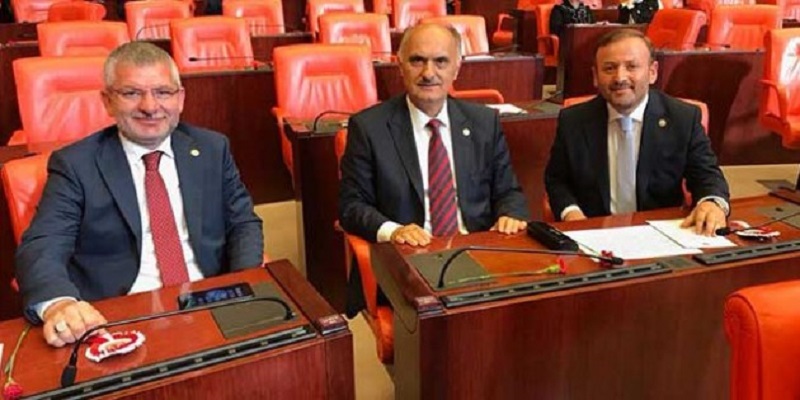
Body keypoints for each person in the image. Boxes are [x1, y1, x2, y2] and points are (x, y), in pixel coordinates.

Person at [15, 42, 264, 347]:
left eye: (163, 92)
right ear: (108, 101)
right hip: (119, 316)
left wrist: (244, 283)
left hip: (209, 300)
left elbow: (243, 223)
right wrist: (59, 304)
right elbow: (44, 243)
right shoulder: (76, 164)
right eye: (131, 93)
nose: (150, 106)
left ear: (180, 98)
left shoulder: (212, 148)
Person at [338, 23, 530, 248]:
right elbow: (352, 206)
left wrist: (509, 214)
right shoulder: (369, 127)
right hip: (409, 251)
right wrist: (394, 231)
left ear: (456, 69)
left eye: (441, 61)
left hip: (476, 248)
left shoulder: (484, 123)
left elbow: (509, 192)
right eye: (417, 60)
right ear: (401, 66)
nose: (428, 73)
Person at [544, 29, 730, 235]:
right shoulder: (573, 120)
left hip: (660, 233)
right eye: (609, 68)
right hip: (595, 232)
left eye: (631, 66)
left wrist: (712, 202)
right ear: (595, 76)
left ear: (652, 72)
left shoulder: (682, 118)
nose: (620, 77)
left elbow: (707, 176)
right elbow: (557, 180)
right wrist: (572, 214)